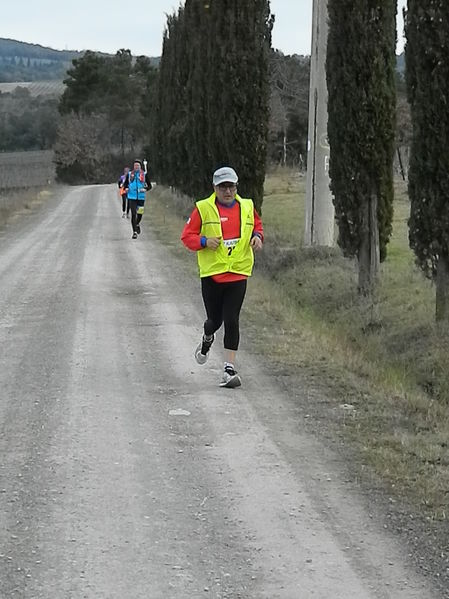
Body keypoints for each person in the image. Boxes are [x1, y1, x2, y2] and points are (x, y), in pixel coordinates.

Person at [181, 166, 263, 388]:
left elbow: (256, 224)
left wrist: (257, 236)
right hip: (212, 275)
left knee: (232, 320)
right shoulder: (203, 208)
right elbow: (187, 237)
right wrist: (205, 242)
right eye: (223, 187)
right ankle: (207, 337)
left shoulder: (247, 206)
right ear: (215, 188)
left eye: (231, 186)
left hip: (238, 272)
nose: (228, 191)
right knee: (213, 321)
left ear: (237, 186)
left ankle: (229, 369)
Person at [123, 159, 152, 239]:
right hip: (132, 197)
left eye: (138, 166)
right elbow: (125, 185)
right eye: (135, 165)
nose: (136, 167)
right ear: (133, 166)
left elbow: (149, 186)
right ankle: (134, 232)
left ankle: (137, 223)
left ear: (140, 167)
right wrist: (126, 188)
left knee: (140, 214)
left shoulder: (144, 174)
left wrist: (145, 189)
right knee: (133, 214)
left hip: (141, 197)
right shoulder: (129, 175)